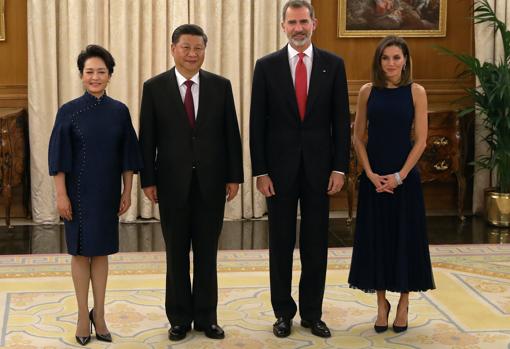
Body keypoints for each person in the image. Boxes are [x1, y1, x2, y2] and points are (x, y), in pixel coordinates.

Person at [250, 0, 351, 338]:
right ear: (283, 26)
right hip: (277, 173)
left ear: (314, 23)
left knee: (315, 244)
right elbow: (256, 124)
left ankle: (312, 313)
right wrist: (260, 171)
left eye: (303, 21)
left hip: (321, 171)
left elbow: (340, 121)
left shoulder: (334, 65)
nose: (298, 28)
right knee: (280, 243)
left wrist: (340, 168)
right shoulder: (266, 67)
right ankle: (283, 313)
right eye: (292, 22)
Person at [138, 24, 243, 342]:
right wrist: (148, 180)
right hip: (171, 184)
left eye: (198, 48)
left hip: (211, 183)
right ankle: (179, 318)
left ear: (204, 51)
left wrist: (234, 176)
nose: (192, 54)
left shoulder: (220, 86)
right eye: (186, 47)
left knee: (208, 253)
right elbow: (148, 140)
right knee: (177, 254)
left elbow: (231, 136)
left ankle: (207, 317)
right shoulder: (154, 87)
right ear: (173, 49)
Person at [48, 44, 143, 346]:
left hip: (106, 193)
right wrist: (61, 196)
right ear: (81, 75)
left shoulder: (119, 111)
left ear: (110, 75)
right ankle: (80, 315)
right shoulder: (68, 111)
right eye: (89, 71)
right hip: (76, 193)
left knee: (101, 252)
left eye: (101, 71)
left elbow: (129, 156)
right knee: (80, 253)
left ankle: (99, 314)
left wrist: (126, 191)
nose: (95, 77)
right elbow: (58, 158)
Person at [348, 35, 435, 333]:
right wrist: (370, 174)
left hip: (404, 178)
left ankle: (404, 303)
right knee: (378, 240)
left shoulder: (416, 92)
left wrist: (399, 176)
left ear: (406, 60)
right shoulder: (367, 92)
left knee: (405, 239)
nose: (391, 63)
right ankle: (381, 304)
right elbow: (358, 137)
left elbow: (421, 140)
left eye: (397, 57)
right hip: (374, 178)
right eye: (386, 58)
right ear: (379, 61)